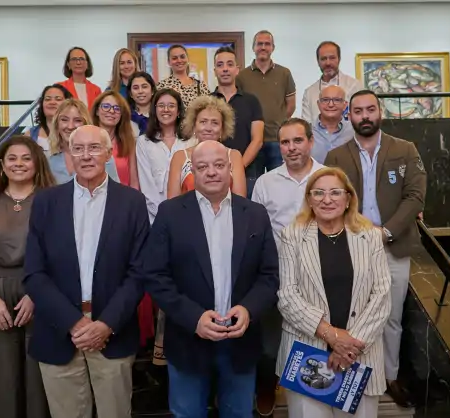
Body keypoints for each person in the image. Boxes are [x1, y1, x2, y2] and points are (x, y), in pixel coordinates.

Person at [141, 140, 280, 418]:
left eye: (218, 165)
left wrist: (248, 309)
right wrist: (194, 318)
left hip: (240, 340)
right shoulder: (170, 213)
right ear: (193, 171)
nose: (212, 172)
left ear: (230, 169)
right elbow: (155, 276)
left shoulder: (255, 214)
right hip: (187, 339)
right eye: (202, 167)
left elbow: (269, 275)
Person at [24, 125, 150, 418]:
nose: (85, 155)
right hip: (58, 331)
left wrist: (105, 324)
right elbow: (34, 272)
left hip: (113, 332)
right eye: (77, 148)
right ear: (68, 154)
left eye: (94, 148)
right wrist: (73, 323)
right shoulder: (46, 202)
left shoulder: (132, 202)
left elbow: (140, 272)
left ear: (108, 153)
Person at [324, 90, 427, 408]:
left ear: (380, 112)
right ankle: (358, 378)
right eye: (358, 111)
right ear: (349, 115)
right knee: (354, 317)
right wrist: (359, 234)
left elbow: (415, 196)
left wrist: (386, 232)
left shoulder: (405, 150)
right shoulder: (336, 156)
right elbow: (330, 200)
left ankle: (390, 377)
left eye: (370, 109)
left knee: (391, 317)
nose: (365, 116)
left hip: (393, 245)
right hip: (351, 247)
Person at [276, 166, 392, 418]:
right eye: (318, 193)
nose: (326, 199)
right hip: (308, 352)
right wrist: (331, 335)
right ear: (309, 199)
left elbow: (382, 295)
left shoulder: (370, 237)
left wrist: (348, 347)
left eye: (335, 192)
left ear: (348, 198)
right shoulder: (291, 236)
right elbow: (287, 296)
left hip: (359, 355)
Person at [0, 135, 56, 418]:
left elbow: (62, 253)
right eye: (12, 158)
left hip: (41, 289)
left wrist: (37, 294)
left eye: (26, 158)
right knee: (1, 375)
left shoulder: (54, 200)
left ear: (37, 163)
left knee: (39, 373)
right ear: (2, 165)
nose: (19, 164)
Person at [251, 117, 324, 416]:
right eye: (285, 142)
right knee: (269, 346)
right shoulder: (266, 182)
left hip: (319, 278)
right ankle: (267, 387)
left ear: (310, 142)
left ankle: (313, 400)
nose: (291, 148)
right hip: (276, 277)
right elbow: (256, 232)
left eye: (298, 141)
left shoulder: (328, 178)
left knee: (315, 341)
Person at [237, 30, 296, 172]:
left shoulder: (284, 73)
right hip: (251, 142)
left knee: (278, 181)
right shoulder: (241, 76)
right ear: (253, 47)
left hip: (277, 140)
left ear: (273, 48)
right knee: (252, 182)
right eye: (259, 44)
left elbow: (291, 105)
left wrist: (278, 121)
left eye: (267, 44)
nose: (263, 47)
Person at [166, 95, 246, 199]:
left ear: (222, 128)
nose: (208, 128)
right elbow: (172, 203)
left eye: (215, 123)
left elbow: (240, 201)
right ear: (194, 125)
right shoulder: (180, 157)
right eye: (203, 122)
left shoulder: (234, 156)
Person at [211, 46, 264, 198]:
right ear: (215, 71)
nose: (225, 69)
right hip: (214, 173)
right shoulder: (207, 102)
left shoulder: (251, 101)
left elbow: (257, 140)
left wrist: (238, 167)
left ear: (237, 69)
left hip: (248, 172)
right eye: (220, 65)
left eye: (230, 64)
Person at [136, 88, 194, 224]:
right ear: (155, 110)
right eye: (161, 105)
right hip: (155, 217)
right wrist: (163, 215)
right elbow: (146, 184)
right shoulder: (143, 142)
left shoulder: (191, 140)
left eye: (171, 106)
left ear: (178, 111)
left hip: (188, 215)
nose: (166, 110)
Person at [47, 98, 119, 184]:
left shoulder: (102, 155)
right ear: (57, 124)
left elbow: (115, 190)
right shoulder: (48, 158)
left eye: (77, 120)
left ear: (86, 124)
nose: (70, 126)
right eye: (64, 120)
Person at [302, 41, 363, 123]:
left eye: (332, 58)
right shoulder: (309, 92)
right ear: (318, 61)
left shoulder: (354, 86)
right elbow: (306, 125)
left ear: (339, 59)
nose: (328, 63)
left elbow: (361, 118)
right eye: (323, 59)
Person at [91, 91, 139, 188]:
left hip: (123, 196)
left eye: (117, 108)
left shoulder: (128, 142)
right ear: (97, 111)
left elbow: (134, 181)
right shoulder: (86, 141)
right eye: (106, 106)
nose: (112, 111)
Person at [310, 85, 354, 164]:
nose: (330, 105)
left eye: (337, 100)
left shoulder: (354, 131)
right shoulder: (307, 131)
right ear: (318, 104)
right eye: (325, 100)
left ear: (345, 105)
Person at [25, 84, 73, 154]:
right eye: (47, 99)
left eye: (58, 99)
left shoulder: (75, 132)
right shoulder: (30, 135)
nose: (52, 102)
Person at [127, 71, 157, 137]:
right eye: (136, 88)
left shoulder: (160, 115)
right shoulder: (125, 117)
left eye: (144, 87)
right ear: (130, 94)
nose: (140, 91)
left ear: (152, 90)